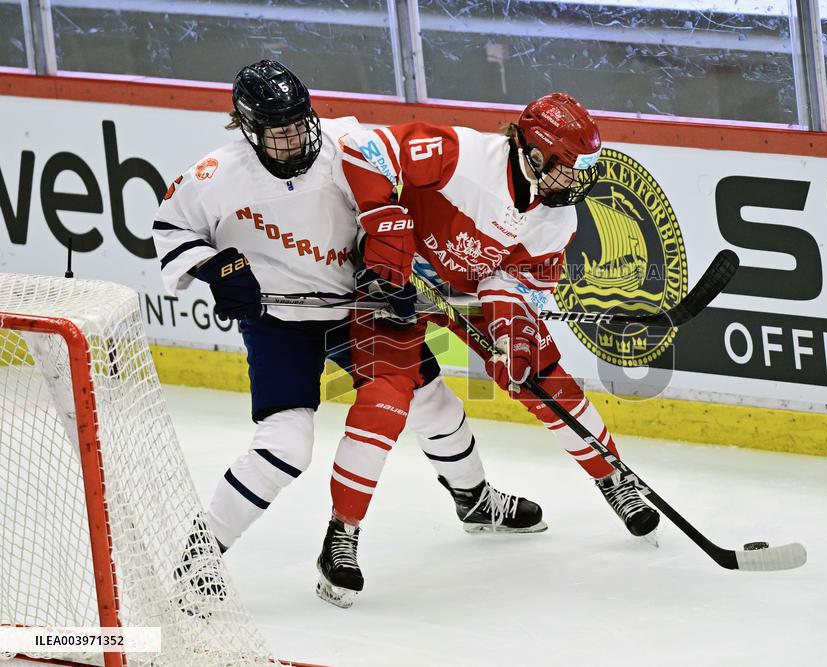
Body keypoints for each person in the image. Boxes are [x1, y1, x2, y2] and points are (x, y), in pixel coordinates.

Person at [152, 60, 544, 612]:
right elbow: (170, 228)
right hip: (279, 321)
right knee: (286, 444)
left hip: (356, 304)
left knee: (430, 399)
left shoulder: (346, 143)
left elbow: (389, 206)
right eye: (277, 129)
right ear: (247, 128)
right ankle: (200, 556)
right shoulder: (216, 175)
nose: (293, 137)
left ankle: (474, 499)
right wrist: (216, 269)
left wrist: (390, 267)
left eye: (298, 122)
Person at [320, 92, 661, 606]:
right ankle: (341, 537)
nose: (576, 181)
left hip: (466, 290)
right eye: (569, 168)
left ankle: (613, 478)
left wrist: (510, 332)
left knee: (543, 377)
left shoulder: (555, 218)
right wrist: (385, 225)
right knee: (388, 398)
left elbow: (513, 280)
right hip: (392, 280)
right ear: (536, 152)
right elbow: (361, 148)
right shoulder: (461, 156)